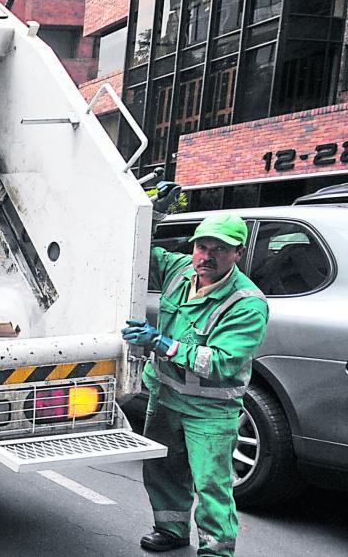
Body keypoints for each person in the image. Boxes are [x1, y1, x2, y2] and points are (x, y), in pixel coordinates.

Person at [124, 188, 268, 557]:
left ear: (237, 253)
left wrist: (164, 344)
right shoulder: (178, 271)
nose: (207, 257)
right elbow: (133, 246)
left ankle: (216, 550)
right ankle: (171, 529)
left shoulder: (247, 304)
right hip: (167, 397)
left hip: (210, 411)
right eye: (202, 247)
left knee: (211, 485)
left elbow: (221, 363)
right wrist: (147, 215)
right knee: (164, 470)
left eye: (219, 249)